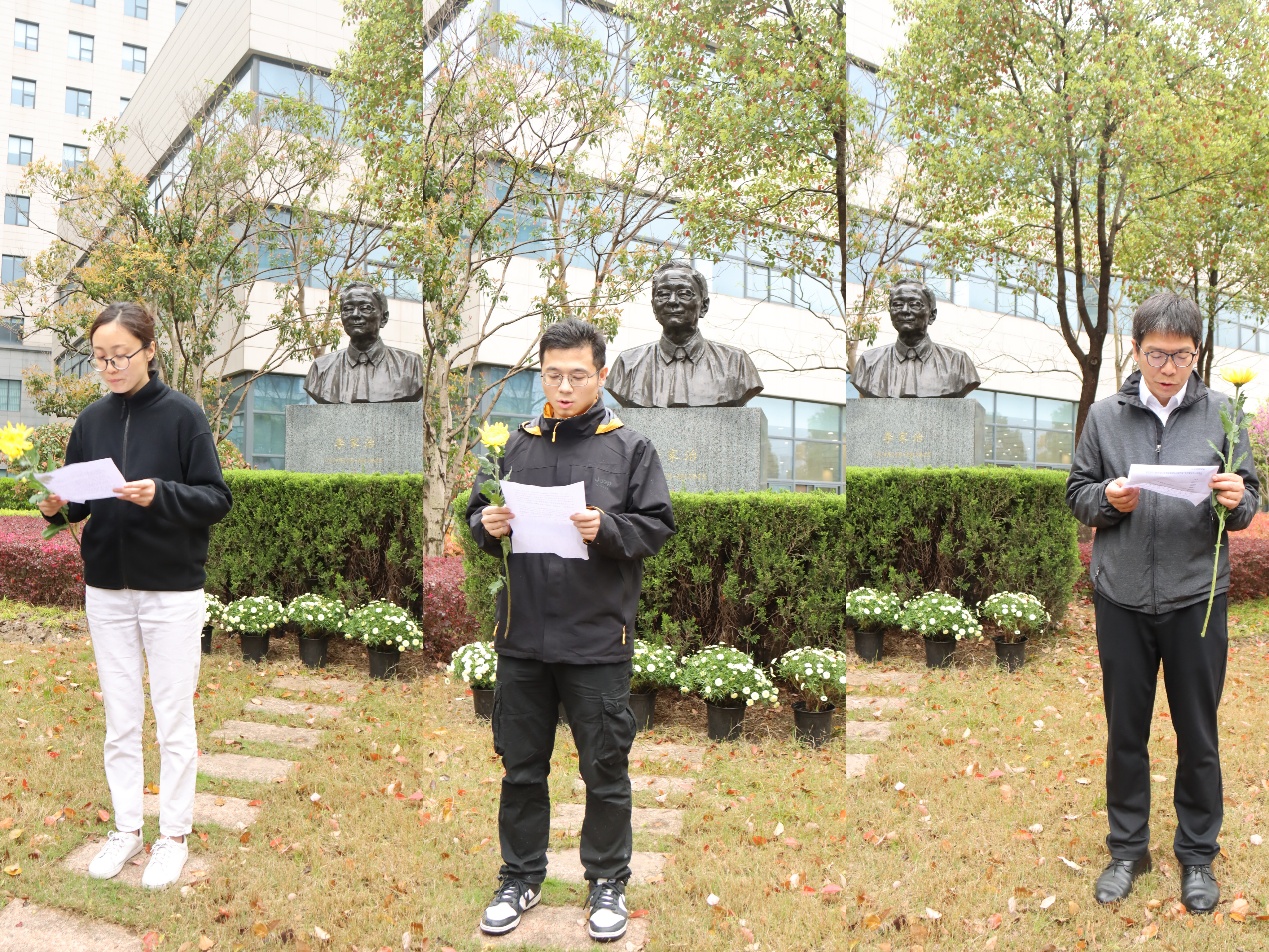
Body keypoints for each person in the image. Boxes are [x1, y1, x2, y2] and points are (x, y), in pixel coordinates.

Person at [466, 318, 675, 942]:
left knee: (605, 769)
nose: (563, 388)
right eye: (552, 375)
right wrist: (487, 526)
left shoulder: (630, 448)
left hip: (596, 641)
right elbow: (477, 515)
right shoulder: (513, 445)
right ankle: (520, 876)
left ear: (601, 375)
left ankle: (607, 881)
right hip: (522, 639)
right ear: (541, 373)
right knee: (521, 768)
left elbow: (657, 526)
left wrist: (607, 528)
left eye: (577, 376)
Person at [1066, 292, 1259, 914]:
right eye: (1157, 354)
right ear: (1135, 349)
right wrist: (1107, 500)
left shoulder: (1223, 414)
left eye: (1181, 355)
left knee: (1198, 734)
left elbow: (1250, 498)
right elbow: (1078, 491)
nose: (1169, 367)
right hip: (1121, 597)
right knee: (1126, 731)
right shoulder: (1105, 416)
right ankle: (1128, 849)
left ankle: (1197, 855)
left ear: (1197, 353)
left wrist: (1237, 499)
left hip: (1196, 597)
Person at [38, 303, 233, 889]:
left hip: (171, 591)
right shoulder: (91, 420)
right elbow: (78, 503)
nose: (110, 367)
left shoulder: (183, 416)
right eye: (100, 358)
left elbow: (216, 499)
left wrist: (161, 494)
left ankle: (173, 836)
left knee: (173, 718)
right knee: (120, 718)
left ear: (149, 350)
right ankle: (126, 828)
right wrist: (54, 506)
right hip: (107, 591)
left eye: (120, 355)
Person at [605, 259, 763, 408]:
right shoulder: (628, 365)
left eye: (684, 293)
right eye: (663, 294)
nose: (672, 301)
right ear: (653, 306)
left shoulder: (736, 363)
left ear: (704, 306)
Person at [852, 279, 980, 398]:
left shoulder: (958, 362)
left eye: (915, 304)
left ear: (932, 315)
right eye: (897, 304)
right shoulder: (869, 362)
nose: (905, 310)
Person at [303, 282, 425, 403]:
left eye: (366, 308)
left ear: (384, 318)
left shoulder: (411, 365)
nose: (355, 315)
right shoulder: (321, 368)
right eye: (348, 309)